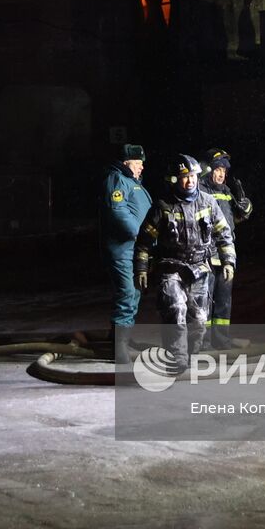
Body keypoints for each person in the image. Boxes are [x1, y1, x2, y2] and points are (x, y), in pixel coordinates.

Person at [134, 154, 236, 372]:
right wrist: (142, 268)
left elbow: (224, 234)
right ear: (174, 180)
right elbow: (144, 241)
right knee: (176, 309)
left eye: (192, 176)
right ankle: (177, 357)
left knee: (199, 320)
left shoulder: (208, 202)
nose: (189, 181)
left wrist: (228, 261)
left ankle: (189, 356)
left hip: (199, 268)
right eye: (184, 177)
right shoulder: (163, 207)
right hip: (170, 268)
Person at [99, 143, 152, 365]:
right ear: (126, 162)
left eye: (142, 164)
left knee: (134, 291)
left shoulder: (131, 181)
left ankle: (121, 340)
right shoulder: (117, 179)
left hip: (133, 247)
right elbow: (117, 210)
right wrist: (138, 233)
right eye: (138, 163)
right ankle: (118, 349)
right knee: (127, 292)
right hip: (122, 247)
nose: (141, 167)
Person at [200, 148, 251, 349]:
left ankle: (221, 340)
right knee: (204, 301)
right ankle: (202, 342)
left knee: (223, 301)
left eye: (224, 170)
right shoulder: (201, 192)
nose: (221, 174)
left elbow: (233, 220)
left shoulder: (226, 192)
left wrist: (245, 208)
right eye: (217, 169)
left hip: (225, 256)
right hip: (205, 255)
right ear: (208, 169)